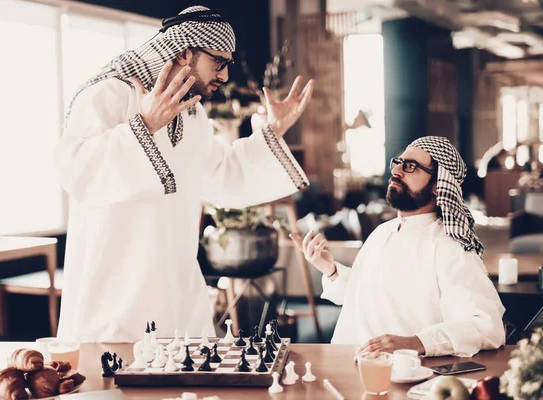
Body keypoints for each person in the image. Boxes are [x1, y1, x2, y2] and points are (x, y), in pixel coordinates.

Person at [54, 5, 314, 342]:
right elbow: (76, 171)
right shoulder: (108, 94)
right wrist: (143, 126)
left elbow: (222, 176)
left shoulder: (192, 115)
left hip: (177, 291)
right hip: (114, 294)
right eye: (217, 64)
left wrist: (272, 131)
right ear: (185, 52)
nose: (223, 76)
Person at [291, 136, 505, 357]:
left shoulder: (449, 246)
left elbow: (486, 325)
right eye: (399, 162)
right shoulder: (382, 233)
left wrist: (416, 342)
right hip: (348, 367)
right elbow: (370, 299)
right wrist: (332, 271)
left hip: (404, 377)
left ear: (438, 184)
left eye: (411, 166)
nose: (397, 171)